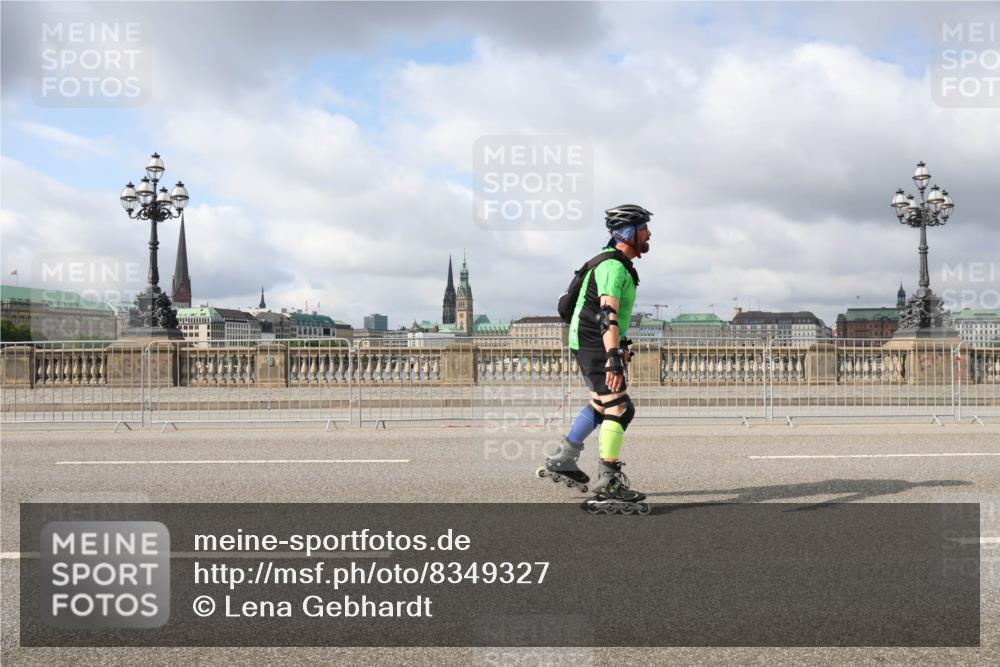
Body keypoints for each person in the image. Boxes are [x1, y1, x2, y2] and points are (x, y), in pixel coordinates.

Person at [539, 204, 652, 515]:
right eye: (644, 229)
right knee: (620, 408)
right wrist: (613, 357)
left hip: (588, 342)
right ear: (629, 233)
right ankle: (609, 482)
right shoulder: (613, 267)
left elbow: (606, 315)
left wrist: (621, 344)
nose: (649, 234)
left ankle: (564, 458)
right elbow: (606, 314)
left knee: (602, 405)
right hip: (594, 344)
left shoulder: (614, 264)